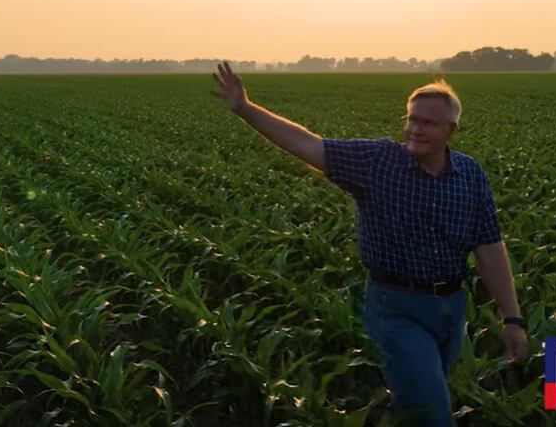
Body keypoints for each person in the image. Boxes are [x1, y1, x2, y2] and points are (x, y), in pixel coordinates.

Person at [211, 61, 527, 426]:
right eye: (411, 119)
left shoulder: (469, 174)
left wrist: (512, 317)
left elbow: (488, 247)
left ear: (450, 130)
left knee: (417, 402)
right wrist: (245, 109)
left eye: (427, 122)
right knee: (433, 414)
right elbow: (309, 146)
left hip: (451, 309)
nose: (415, 128)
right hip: (396, 308)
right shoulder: (378, 161)